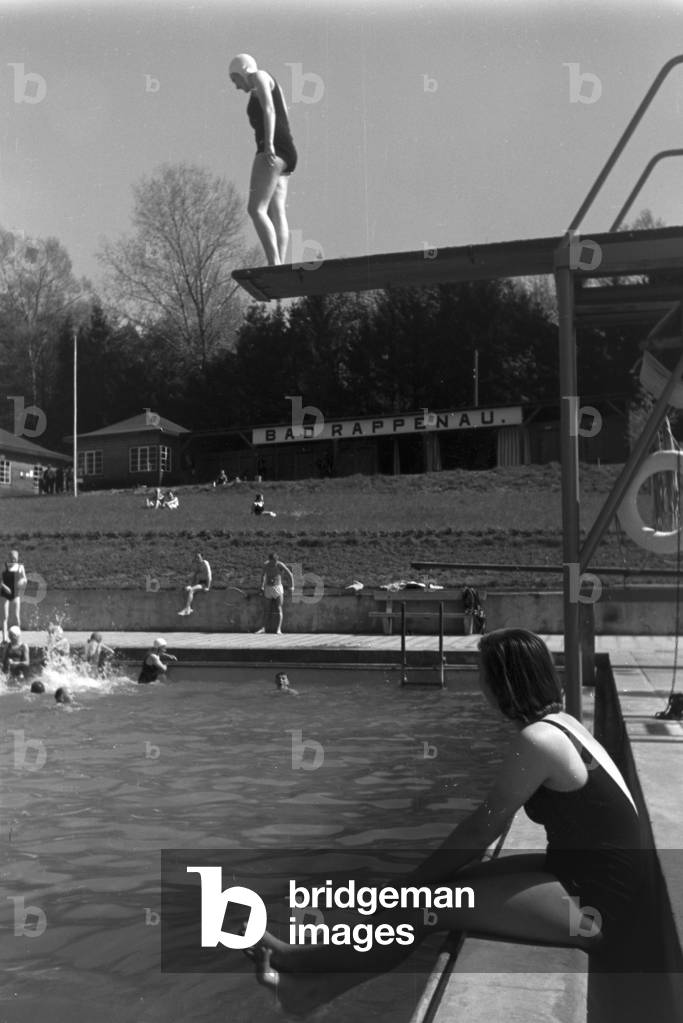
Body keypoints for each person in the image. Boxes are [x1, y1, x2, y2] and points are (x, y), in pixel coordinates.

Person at [245, 629, 646, 1012]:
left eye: (481, 674)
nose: (479, 684)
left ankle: (301, 964)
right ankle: (309, 987)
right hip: (581, 876)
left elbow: (480, 830)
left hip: (597, 907)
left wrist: (411, 881)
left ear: (503, 682)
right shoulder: (564, 724)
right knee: (434, 892)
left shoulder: (538, 740)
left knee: (423, 904)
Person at [229, 53, 298, 266]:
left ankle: (274, 264)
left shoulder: (259, 76)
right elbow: (283, 112)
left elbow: (270, 108)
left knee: (256, 209)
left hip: (272, 149)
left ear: (243, 71)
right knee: (275, 212)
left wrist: (268, 144)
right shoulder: (267, 83)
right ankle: (280, 265)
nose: (236, 87)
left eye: (235, 79)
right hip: (286, 151)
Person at [256, 552, 294, 634]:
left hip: (278, 588)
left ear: (277, 560)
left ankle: (278, 629)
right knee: (266, 609)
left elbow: (290, 574)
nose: (273, 563)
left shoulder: (280, 565)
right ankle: (263, 628)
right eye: (272, 561)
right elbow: (262, 576)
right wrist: (261, 586)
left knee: (278, 608)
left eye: (275, 561)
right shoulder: (266, 565)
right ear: (269, 560)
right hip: (268, 588)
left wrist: (292, 586)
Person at [1, 549, 27, 642]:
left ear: (17, 558)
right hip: (4, 593)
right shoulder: (4, 566)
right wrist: (4, 587)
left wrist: (22, 582)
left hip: (15, 593)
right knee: (4, 617)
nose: (13, 560)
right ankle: (4, 639)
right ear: (9, 557)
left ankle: (17, 638)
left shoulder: (20, 567)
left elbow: (25, 579)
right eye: (12, 558)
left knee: (16, 617)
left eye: (15, 559)